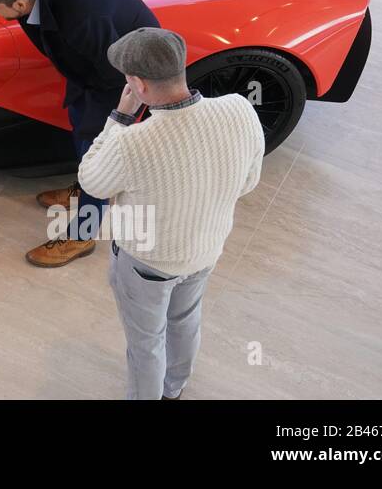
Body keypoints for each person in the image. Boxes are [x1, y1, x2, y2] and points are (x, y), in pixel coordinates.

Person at [78, 28, 264, 400]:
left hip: (146, 261)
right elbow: (248, 181)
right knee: (185, 321)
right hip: (205, 249)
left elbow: (92, 182)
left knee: (146, 344)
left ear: (138, 85)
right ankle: (174, 388)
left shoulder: (134, 141)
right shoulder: (238, 109)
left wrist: (119, 117)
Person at [0, 0, 158, 268]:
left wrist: (114, 123)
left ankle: (83, 234)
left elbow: (112, 72)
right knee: (77, 118)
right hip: (88, 60)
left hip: (121, 71)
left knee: (97, 149)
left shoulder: (83, 17)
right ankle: (84, 184)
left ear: (19, 5)